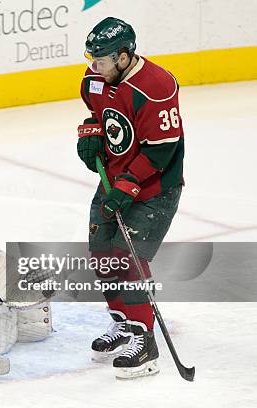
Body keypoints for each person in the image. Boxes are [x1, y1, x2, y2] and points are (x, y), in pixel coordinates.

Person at [77, 17, 184, 379]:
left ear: (124, 57)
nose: (94, 68)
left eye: (102, 61)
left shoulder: (156, 86)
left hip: (155, 188)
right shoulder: (94, 79)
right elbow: (97, 112)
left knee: (128, 258)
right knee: (102, 254)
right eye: (91, 59)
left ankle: (145, 341)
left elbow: (163, 150)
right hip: (114, 179)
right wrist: (90, 132)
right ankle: (123, 323)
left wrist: (129, 186)